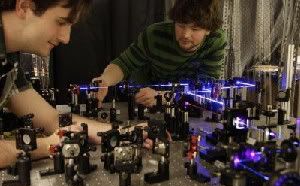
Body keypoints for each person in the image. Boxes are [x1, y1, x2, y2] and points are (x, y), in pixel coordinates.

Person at [0, 0, 116, 169]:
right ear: (24, 7)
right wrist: (50, 144)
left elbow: (51, 119)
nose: (66, 38)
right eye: (61, 22)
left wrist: (118, 133)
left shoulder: (8, 61)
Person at [94, 0, 227, 108]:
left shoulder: (216, 41)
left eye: (195, 29)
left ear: (208, 29)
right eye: (180, 25)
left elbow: (205, 88)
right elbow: (123, 64)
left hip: (185, 103)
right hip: (146, 99)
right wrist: (105, 80)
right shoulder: (154, 35)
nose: (186, 35)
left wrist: (163, 97)